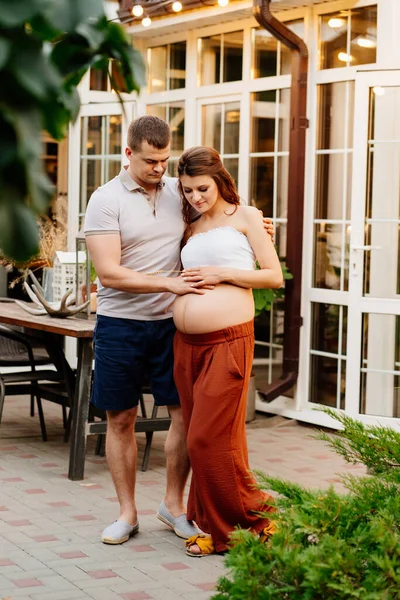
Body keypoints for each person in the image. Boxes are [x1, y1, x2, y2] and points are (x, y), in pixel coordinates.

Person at [84, 116, 274, 545]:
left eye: (165, 160)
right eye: (150, 161)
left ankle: (173, 506)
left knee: (184, 419)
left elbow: (220, 220)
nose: (159, 169)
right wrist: (170, 283)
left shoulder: (179, 192)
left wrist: (258, 228)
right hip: (121, 325)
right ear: (128, 153)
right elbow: (109, 274)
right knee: (121, 418)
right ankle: (126, 514)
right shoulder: (105, 200)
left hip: (171, 328)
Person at [172, 146, 283, 557]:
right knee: (205, 437)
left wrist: (222, 273)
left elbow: (272, 275)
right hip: (186, 345)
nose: (195, 197)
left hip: (228, 341)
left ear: (219, 179)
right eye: (186, 191)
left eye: (202, 188)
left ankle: (256, 521)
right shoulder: (192, 223)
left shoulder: (248, 217)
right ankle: (213, 526)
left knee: (205, 438)